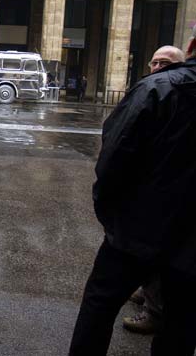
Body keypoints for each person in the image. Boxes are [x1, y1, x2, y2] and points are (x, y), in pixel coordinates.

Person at [69, 31, 196, 356]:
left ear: (191, 47)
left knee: (100, 304)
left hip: (138, 229)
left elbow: (112, 157)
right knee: (181, 323)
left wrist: (112, 216)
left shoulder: (156, 88)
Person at [122, 44, 185, 335]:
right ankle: (148, 290)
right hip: (148, 190)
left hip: (170, 192)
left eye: (166, 63)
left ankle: (155, 310)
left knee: (164, 251)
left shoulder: (181, 97)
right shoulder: (149, 91)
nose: (158, 67)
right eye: (155, 62)